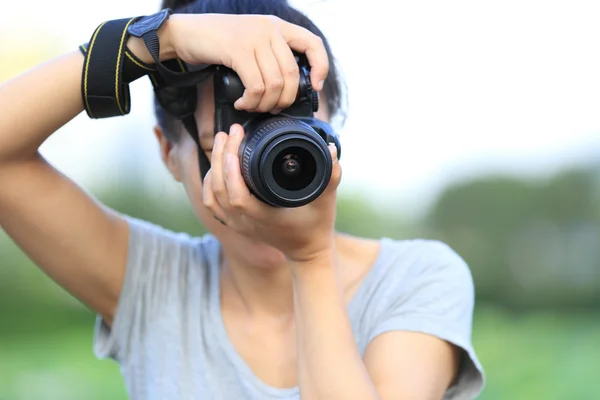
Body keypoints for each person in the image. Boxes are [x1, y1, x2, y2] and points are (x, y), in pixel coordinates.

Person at [0, 0, 484, 399]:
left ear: (333, 134)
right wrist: (155, 40)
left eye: (296, 140)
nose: (262, 180)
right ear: (169, 153)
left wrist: (312, 259)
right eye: (225, 149)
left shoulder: (415, 279)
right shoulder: (154, 283)